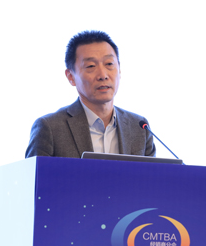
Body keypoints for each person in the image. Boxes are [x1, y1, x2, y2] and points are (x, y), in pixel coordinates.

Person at [25, 31, 156, 158]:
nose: (103, 75)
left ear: (119, 69)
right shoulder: (50, 128)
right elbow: (34, 174)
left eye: (109, 64)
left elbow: (151, 173)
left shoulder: (140, 127)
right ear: (70, 76)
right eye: (91, 66)